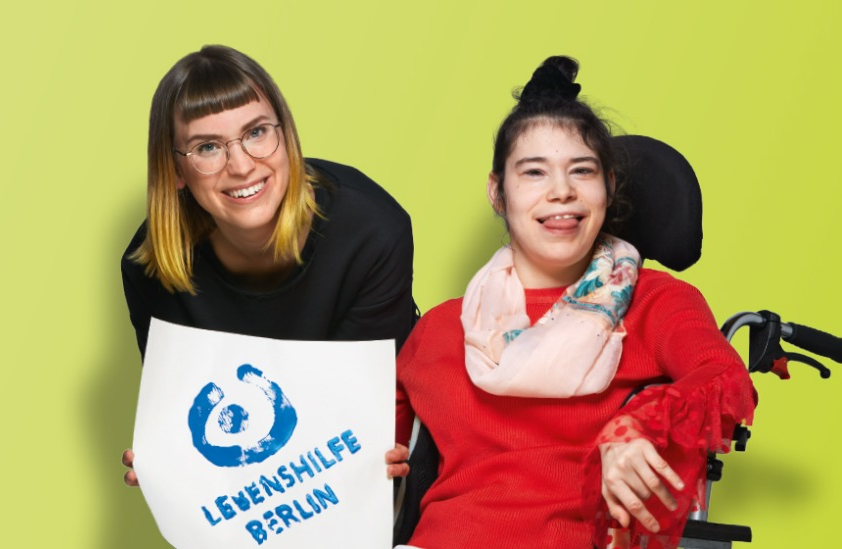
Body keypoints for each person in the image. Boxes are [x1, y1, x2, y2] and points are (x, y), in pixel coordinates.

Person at [393, 56, 758, 548]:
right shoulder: (438, 328)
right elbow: (369, 452)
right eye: (534, 173)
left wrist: (639, 425)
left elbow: (726, 380)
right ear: (498, 193)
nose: (561, 193)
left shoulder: (656, 303)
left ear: (608, 186)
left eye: (581, 172)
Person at [118, 45, 418, 486]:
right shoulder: (151, 265)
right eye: (207, 146)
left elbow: (361, 413)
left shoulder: (371, 229)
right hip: (250, 469)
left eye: (257, 132)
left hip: (359, 459)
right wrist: (171, 466)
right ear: (176, 169)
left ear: (287, 134)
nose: (241, 166)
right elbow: (191, 413)